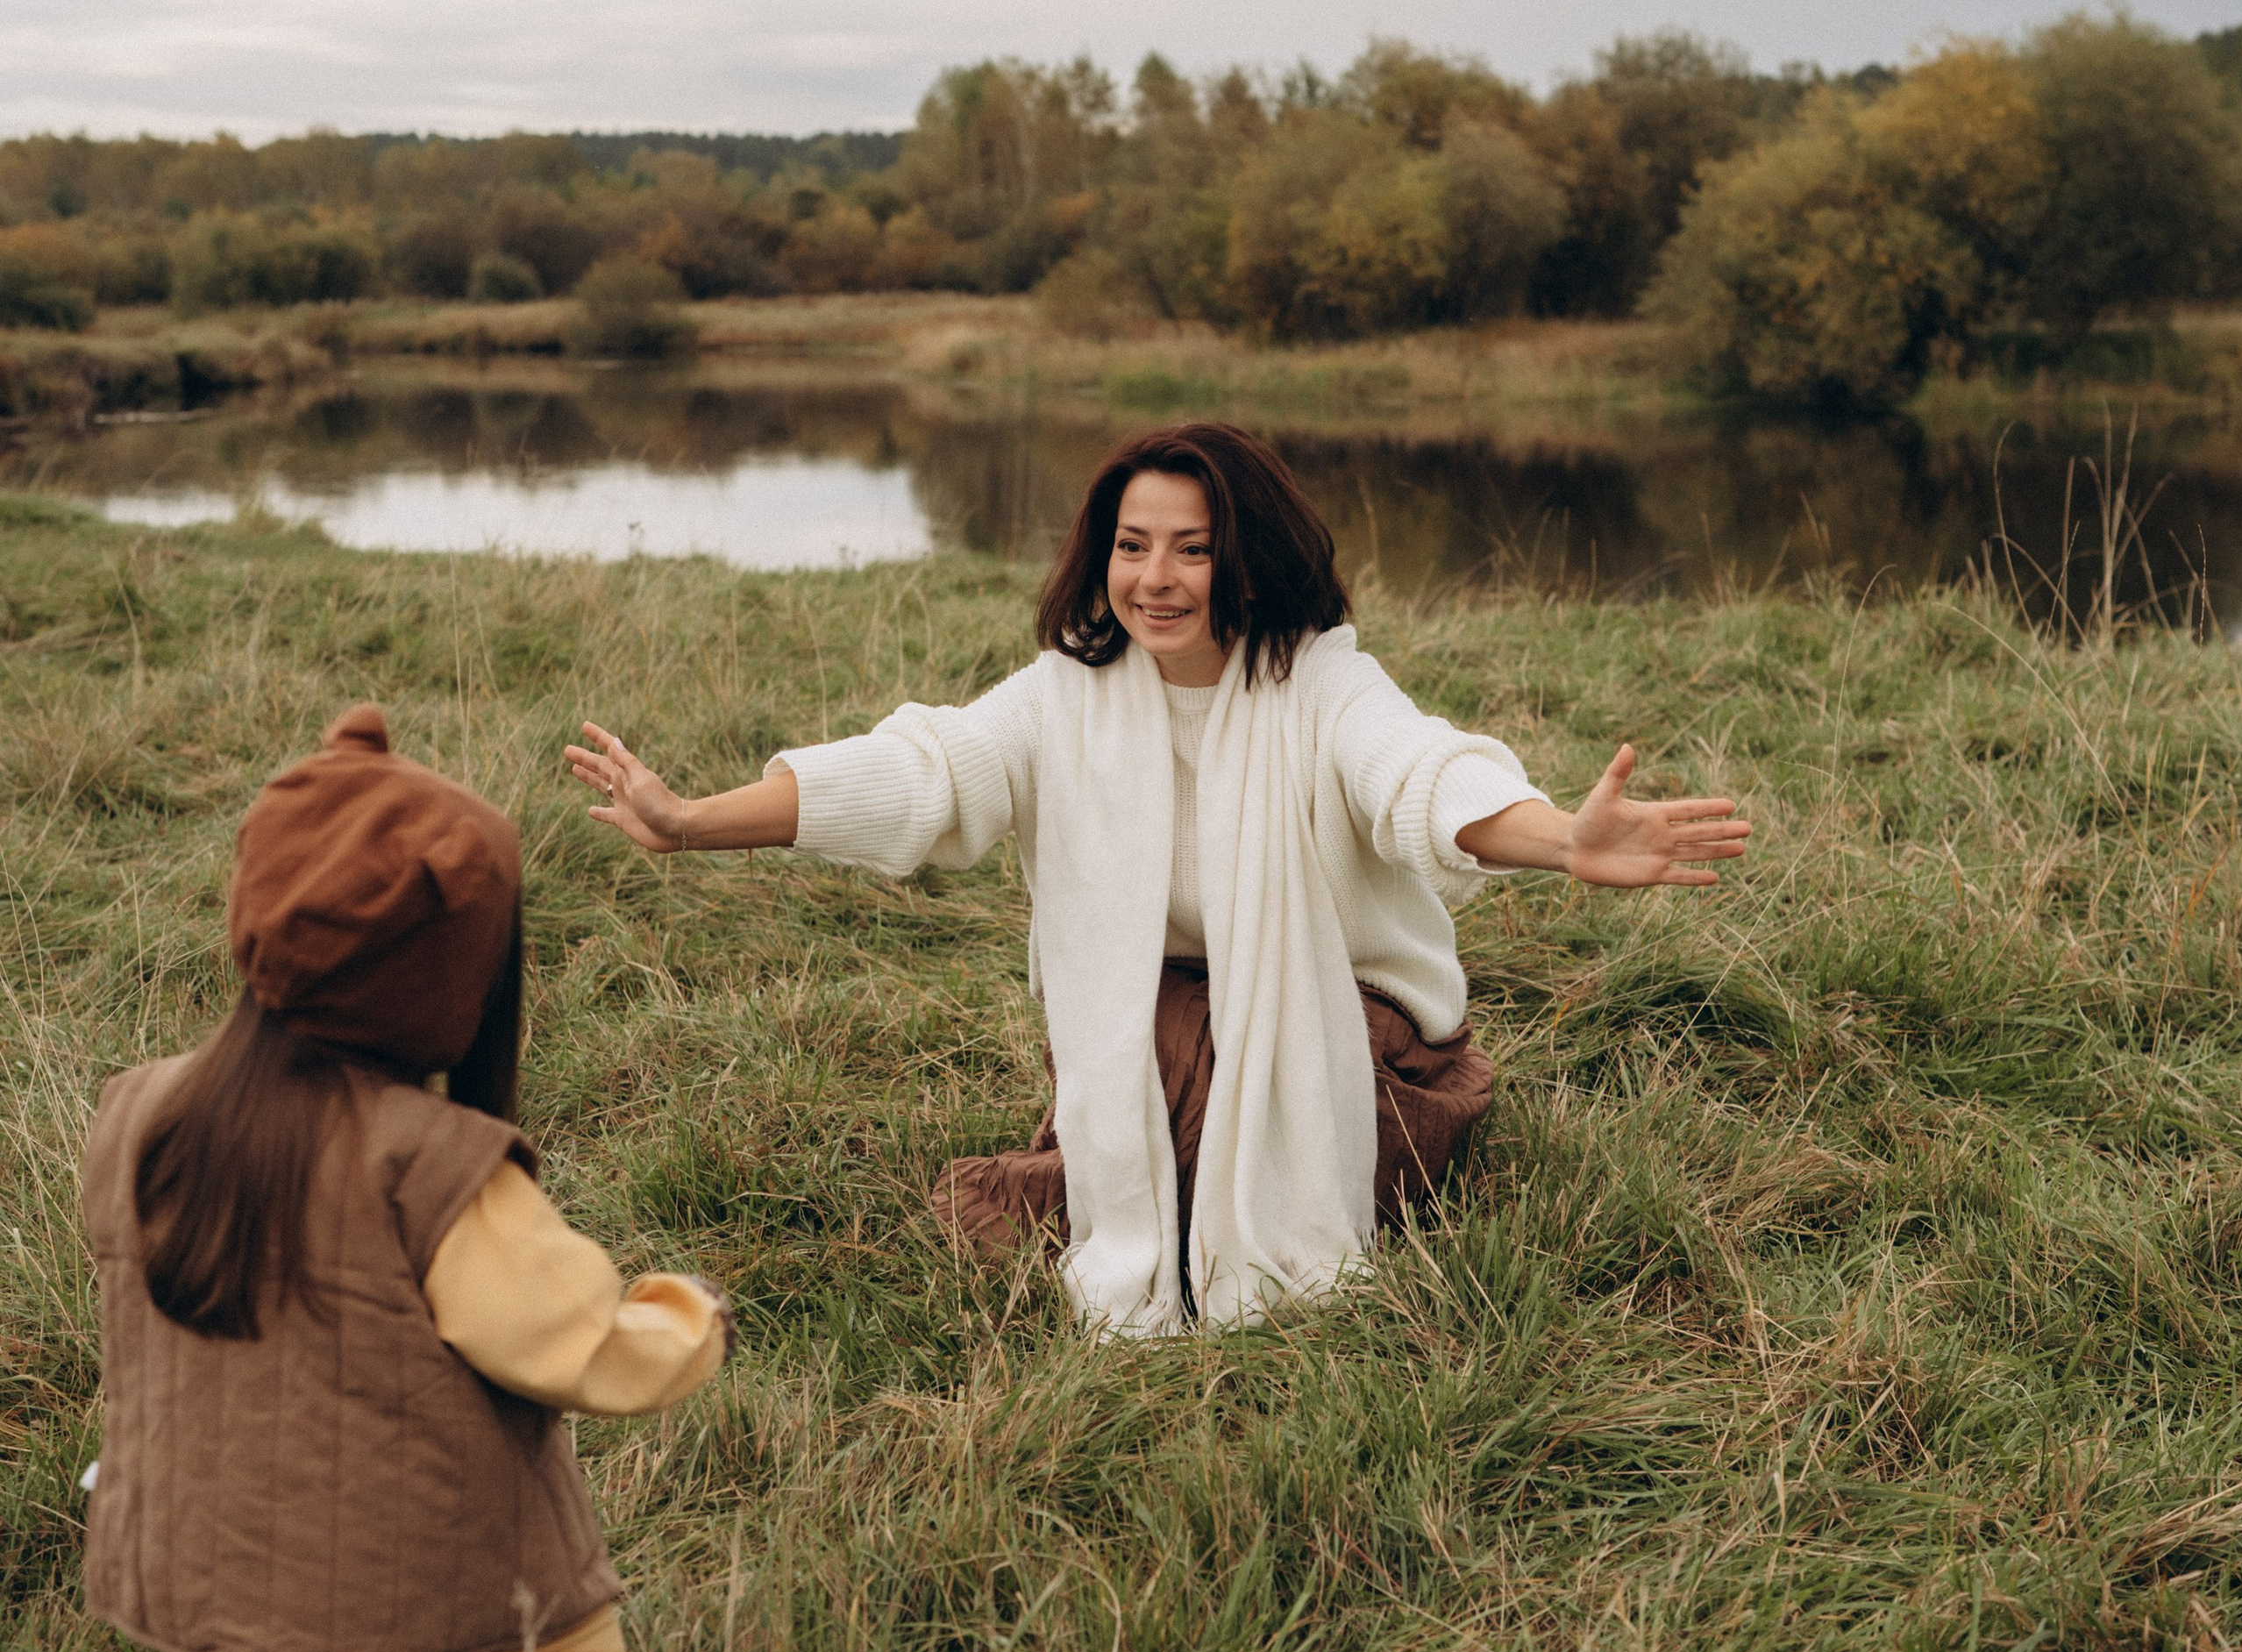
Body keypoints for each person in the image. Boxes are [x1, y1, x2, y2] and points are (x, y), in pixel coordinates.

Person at [566, 423, 1747, 1339]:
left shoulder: (1321, 684)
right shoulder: (1065, 695)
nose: (1158, 578)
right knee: (1159, 1050)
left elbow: (1419, 775)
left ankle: (1119, 1193)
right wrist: (694, 821)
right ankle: (1127, 1192)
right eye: (1134, 546)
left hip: (1364, 1050)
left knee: (1206, 1067)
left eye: (1193, 547)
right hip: (1161, 1026)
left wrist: (1561, 842)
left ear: (1247, 558)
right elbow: (924, 771)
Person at [79, 704, 730, 1652]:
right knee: (570, 1650)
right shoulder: (431, 1166)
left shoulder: (141, 1115)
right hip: (381, 1604)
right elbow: (573, 1345)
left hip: (199, 1606)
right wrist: (687, 1322)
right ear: (452, 984)